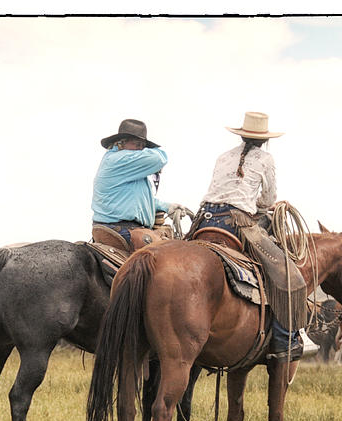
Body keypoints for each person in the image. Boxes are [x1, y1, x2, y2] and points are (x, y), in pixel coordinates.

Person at [196, 111, 307, 367]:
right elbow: (268, 200)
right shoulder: (266, 159)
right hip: (237, 223)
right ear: (265, 139)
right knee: (285, 275)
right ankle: (284, 340)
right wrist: (258, 204)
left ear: (242, 134)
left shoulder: (223, 156)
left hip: (205, 220)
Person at [92, 118, 185, 248]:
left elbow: (138, 199)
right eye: (137, 145)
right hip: (123, 230)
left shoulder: (125, 165)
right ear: (121, 143)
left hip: (117, 227)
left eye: (142, 146)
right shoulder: (121, 159)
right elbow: (160, 158)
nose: (141, 150)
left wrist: (165, 206)